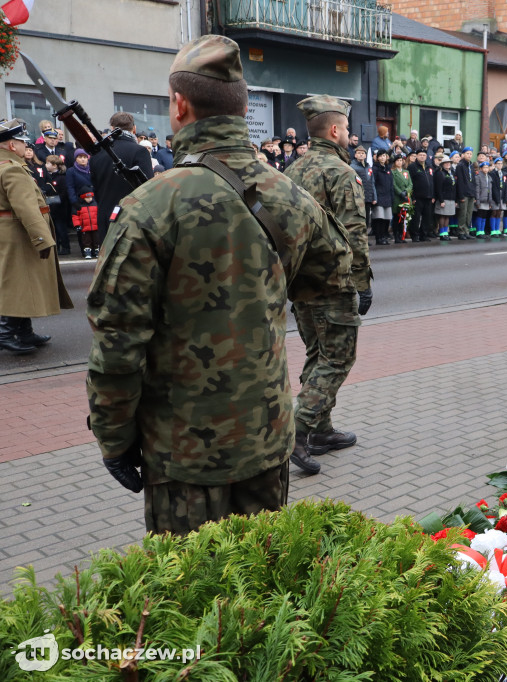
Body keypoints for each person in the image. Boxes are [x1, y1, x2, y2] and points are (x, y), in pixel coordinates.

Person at [86, 35, 349, 535]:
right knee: (266, 587)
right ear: (241, 109)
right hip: (268, 438)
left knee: (193, 601)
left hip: (184, 451)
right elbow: (332, 280)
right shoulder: (288, 194)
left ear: (180, 105)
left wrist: (113, 438)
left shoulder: (150, 207)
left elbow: (118, 344)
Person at [284, 95, 372, 474]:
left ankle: (320, 431)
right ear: (335, 130)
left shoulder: (291, 170)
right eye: (348, 129)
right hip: (334, 282)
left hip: (300, 282)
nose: (350, 136)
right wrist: (362, 282)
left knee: (318, 354)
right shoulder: (339, 172)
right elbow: (355, 232)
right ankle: (296, 432)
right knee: (337, 357)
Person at [0, 120, 73, 355]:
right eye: (21, 142)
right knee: (18, 283)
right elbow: (26, 207)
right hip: (19, 233)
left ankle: (23, 331)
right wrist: (42, 239)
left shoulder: (6, 165)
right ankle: (5, 332)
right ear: (12, 145)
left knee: (24, 283)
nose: (25, 145)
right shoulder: (12, 168)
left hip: (11, 232)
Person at [90, 111, 155, 246]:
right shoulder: (140, 151)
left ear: (112, 129)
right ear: (134, 129)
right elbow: (149, 189)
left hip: (104, 217)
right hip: (132, 219)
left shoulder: (98, 155)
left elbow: (95, 189)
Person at [349, 145, 375, 240]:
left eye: (363, 153)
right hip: (357, 197)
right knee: (358, 220)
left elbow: (372, 183)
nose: (361, 155)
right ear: (355, 155)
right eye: (359, 153)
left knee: (366, 220)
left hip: (367, 197)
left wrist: (374, 197)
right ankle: (357, 238)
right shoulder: (352, 167)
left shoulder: (368, 167)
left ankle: (364, 239)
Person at [408, 149, 434, 241]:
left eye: (424, 155)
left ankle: (424, 235)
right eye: (420, 155)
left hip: (428, 196)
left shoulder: (429, 167)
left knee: (427, 218)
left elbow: (432, 182)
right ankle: (414, 235)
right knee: (416, 218)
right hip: (417, 197)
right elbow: (410, 182)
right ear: (417, 156)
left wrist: (433, 195)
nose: (422, 156)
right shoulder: (412, 167)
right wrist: (413, 197)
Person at [371, 150, 394, 245]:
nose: (382, 158)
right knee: (379, 218)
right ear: (377, 157)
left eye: (384, 156)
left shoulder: (388, 169)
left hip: (388, 196)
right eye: (380, 156)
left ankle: (384, 236)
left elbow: (391, 184)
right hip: (379, 197)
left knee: (386, 219)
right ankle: (379, 238)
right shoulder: (375, 169)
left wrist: (392, 197)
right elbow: (373, 183)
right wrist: (374, 197)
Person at [72, 185, 100, 259]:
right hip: (84, 227)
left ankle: (97, 250)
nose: (89, 199)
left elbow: (99, 214)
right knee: (86, 241)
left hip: (95, 226)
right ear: (82, 197)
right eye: (87, 198)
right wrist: (77, 225)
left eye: (90, 197)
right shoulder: (78, 205)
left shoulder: (95, 204)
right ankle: (87, 251)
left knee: (96, 239)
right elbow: (75, 216)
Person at [433, 154, 457, 240]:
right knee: (442, 216)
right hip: (444, 198)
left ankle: (445, 232)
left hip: (451, 198)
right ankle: (442, 233)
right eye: (446, 163)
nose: (448, 164)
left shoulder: (452, 173)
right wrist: (441, 200)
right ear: (442, 164)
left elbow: (455, 187)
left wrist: (455, 200)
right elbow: (438, 188)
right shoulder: (440, 173)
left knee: (447, 216)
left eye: (449, 163)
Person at [454, 147, 475, 241]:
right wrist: (461, 196)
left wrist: (474, 194)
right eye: (467, 153)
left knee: (469, 213)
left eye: (470, 154)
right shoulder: (460, 165)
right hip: (464, 193)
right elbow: (460, 182)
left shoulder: (471, 165)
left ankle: (467, 231)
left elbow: (473, 180)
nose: (469, 155)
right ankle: (461, 232)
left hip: (471, 193)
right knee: (463, 213)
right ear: (463, 155)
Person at [391, 153, 411, 243]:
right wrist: (400, 192)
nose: (400, 162)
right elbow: (393, 184)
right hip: (397, 197)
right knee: (396, 217)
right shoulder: (393, 172)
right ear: (395, 162)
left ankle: (401, 235)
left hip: (405, 197)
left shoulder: (406, 172)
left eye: (401, 160)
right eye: (398, 161)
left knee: (403, 218)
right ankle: (396, 236)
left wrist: (406, 191)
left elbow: (410, 184)